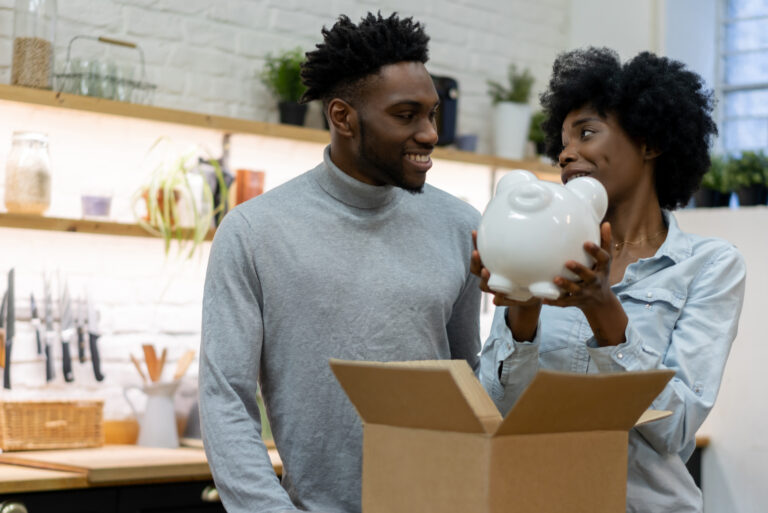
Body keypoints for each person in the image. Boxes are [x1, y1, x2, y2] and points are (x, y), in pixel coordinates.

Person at [199, 12, 482, 513]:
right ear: (342, 117)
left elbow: (470, 381)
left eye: (432, 114)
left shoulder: (461, 226)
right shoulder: (254, 232)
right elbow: (225, 400)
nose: (429, 134)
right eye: (405, 114)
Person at [475, 47, 746, 513]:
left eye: (586, 133)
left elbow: (676, 428)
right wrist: (524, 310)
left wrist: (602, 309)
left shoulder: (710, 266)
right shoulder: (543, 257)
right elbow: (499, 412)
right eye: (561, 142)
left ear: (650, 141)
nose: (566, 154)